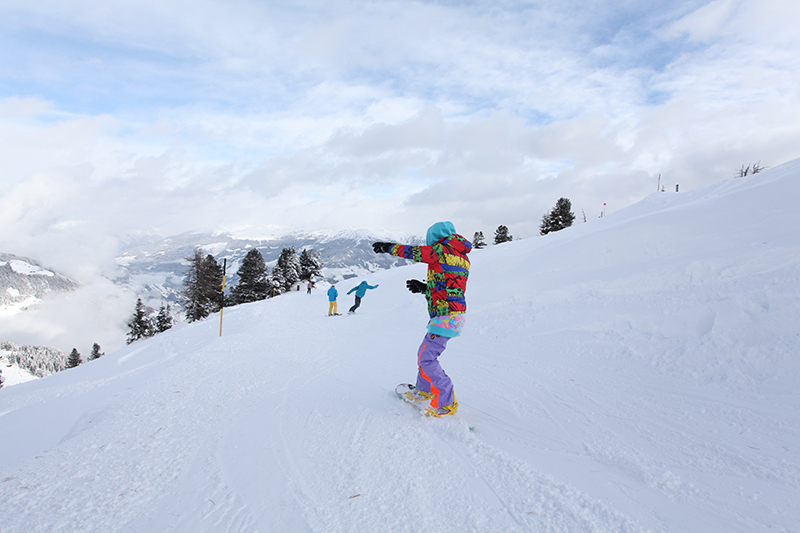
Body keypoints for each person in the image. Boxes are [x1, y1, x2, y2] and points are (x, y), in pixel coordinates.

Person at [373, 221, 471, 416]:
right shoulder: (462, 257)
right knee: (425, 354)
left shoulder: (441, 251)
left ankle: (446, 402)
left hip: (445, 315)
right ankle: (423, 391)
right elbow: (451, 288)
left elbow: (414, 252)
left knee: (426, 357)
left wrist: (387, 247)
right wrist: (425, 288)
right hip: (453, 313)